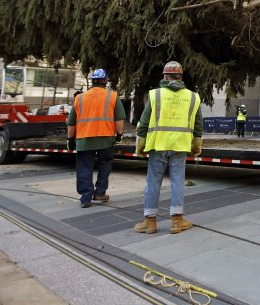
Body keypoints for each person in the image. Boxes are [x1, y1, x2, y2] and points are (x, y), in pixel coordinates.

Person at [134, 60, 203, 235]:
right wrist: (196, 145)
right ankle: (177, 221)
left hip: (158, 145)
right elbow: (198, 124)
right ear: (181, 77)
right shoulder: (193, 96)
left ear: (165, 76)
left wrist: (140, 145)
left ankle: (150, 222)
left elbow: (144, 121)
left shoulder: (156, 95)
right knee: (177, 181)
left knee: (153, 182)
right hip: (180, 145)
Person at [66, 69, 125, 208]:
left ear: (92, 81)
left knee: (84, 167)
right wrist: (119, 135)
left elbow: (71, 122)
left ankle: (86, 198)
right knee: (104, 165)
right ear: (106, 80)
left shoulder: (79, 98)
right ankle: (100, 193)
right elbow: (119, 119)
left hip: (84, 139)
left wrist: (70, 139)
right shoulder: (112, 96)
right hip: (106, 138)